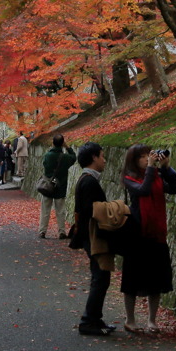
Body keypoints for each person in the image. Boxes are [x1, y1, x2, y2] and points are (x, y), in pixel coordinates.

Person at [120, 144, 176, 333]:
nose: (148, 159)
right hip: (137, 233)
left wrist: (166, 167)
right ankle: (130, 319)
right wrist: (152, 169)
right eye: (144, 156)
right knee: (131, 279)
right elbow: (143, 190)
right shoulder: (129, 178)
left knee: (156, 278)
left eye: (149, 155)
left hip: (157, 233)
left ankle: (152, 320)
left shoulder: (156, 174)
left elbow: (174, 188)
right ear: (134, 160)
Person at [73, 142, 115, 336]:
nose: (104, 160)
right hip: (93, 236)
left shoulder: (85, 179)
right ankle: (88, 321)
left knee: (101, 277)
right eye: (102, 155)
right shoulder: (89, 181)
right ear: (93, 158)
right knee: (100, 277)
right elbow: (92, 210)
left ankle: (95, 320)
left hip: (89, 235)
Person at [40, 134, 77, 239]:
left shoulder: (48, 155)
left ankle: (42, 231)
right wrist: (68, 147)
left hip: (48, 186)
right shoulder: (65, 158)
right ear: (62, 144)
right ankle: (61, 231)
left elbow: (45, 166)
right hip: (61, 186)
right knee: (60, 210)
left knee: (45, 210)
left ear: (53, 143)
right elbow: (74, 157)